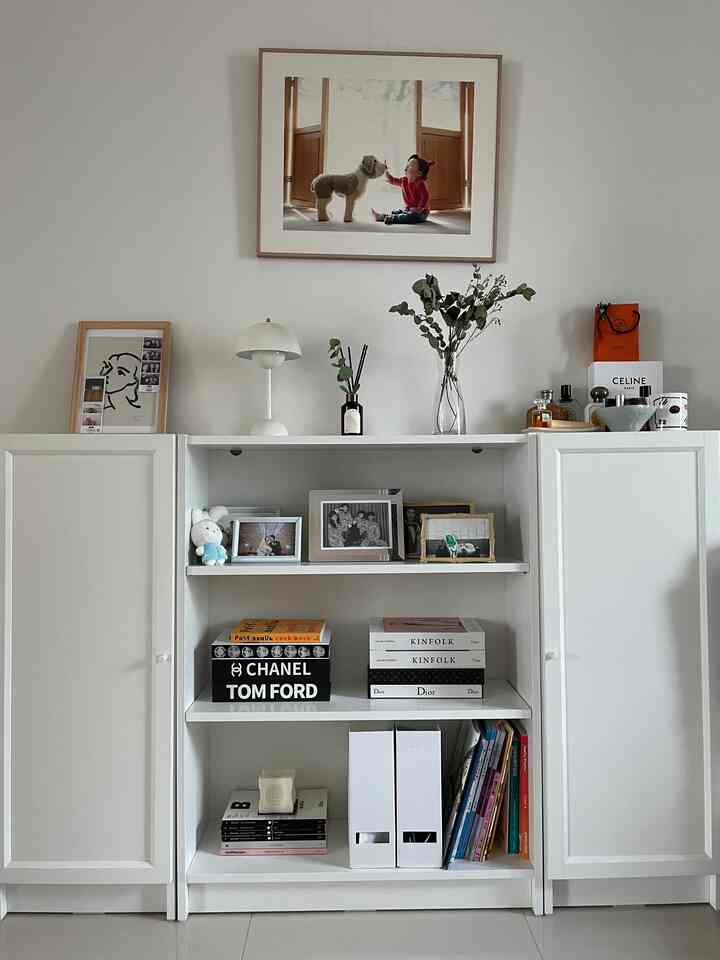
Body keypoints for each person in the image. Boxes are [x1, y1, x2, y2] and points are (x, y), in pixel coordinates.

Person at [372, 155, 434, 226]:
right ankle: (382, 216)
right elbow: (393, 180)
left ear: (419, 173)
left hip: (421, 213)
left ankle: (393, 219)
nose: (407, 167)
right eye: (407, 164)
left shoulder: (420, 183)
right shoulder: (404, 181)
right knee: (398, 212)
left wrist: (419, 208)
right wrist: (386, 172)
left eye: (411, 165)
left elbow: (425, 196)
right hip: (409, 209)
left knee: (410, 217)